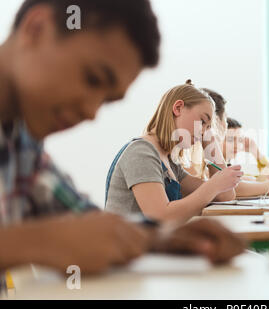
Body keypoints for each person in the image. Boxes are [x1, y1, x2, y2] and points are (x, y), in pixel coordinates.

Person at [0, 0, 245, 278]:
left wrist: (160, 239)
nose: (91, 112)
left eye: (106, 100)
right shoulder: (141, 151)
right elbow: (60, 235)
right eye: (92, 78)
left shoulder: (20, 143)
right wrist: (40, 241)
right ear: (37, 28)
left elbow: (83, 219)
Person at [105, 80, 243, 222]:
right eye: (202, 121)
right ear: (178, 108)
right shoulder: (141, 153)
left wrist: (208, 136)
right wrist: (213, 185)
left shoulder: (170, 163)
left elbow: (224, 195)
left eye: (207, 128)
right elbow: (161, 217)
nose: (203, 133)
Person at [184, 87, 269, 196]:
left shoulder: (206, 156)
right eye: (230, 140)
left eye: (239, 140)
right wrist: (268, 185)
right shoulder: (194, 152)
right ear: (216, 120)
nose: (236, 145)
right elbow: (222, 187)